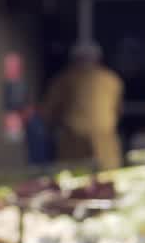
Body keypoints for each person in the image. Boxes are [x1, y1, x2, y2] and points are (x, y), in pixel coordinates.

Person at [41, 43, 124, 171]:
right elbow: (118, 110)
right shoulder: (112, 79)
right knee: (106, 176)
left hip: (74, 138)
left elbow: (48, 112)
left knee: (73, 177)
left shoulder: (64, 79)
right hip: (103, 136)